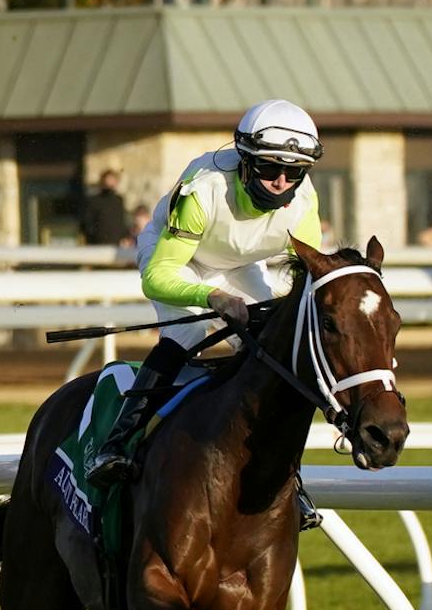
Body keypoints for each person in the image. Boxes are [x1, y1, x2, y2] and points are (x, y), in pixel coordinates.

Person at [83, 98, 324, 527]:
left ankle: (289, 478)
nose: (281, 181)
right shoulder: (204, 187)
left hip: (238, 263)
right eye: (269, 168)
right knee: (185, 337)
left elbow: (308, 277)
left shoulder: (304, 202)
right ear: (246, 161)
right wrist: (212, 297)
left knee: (267, 349)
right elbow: (157, 277)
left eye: (293, 172)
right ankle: (117, 443)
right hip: (175, 258)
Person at [82, 170, 129, 247]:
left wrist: (124, 236)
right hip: (98, 245)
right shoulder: (94, 201)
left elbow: (122, 221)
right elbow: (88, 224)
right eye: (108, 179)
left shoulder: (119, 200)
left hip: (116, 245)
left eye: (112, 180)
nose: (110, 182)